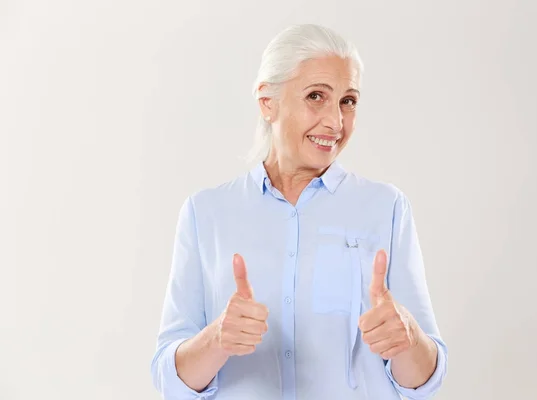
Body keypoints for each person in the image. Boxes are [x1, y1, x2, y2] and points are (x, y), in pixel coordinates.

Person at [150, 23, 448, 400]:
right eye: (316, 96)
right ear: (267, 103)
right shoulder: (205, 213)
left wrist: (407, 338)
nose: (336, 122)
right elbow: (169, 378)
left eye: (348, 101)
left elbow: (425, 380)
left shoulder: (386, 207)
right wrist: (217, 340)